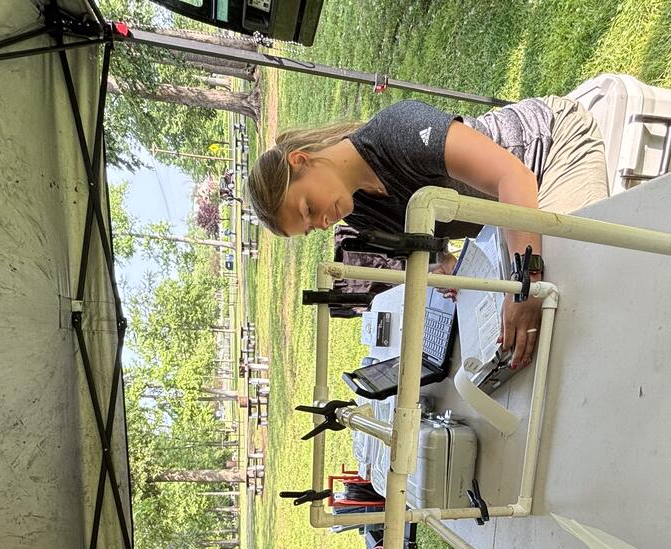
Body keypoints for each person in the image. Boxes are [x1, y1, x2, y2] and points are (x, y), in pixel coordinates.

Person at [247, 97, 609, 370]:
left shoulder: (397, 130)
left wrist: (524, 285)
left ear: (301, 160)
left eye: (309, 209)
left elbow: (513, 176)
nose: (323, 223)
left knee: (563, 294)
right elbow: (430, 241)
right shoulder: (359, 213)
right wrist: (442, 262)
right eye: (311, 228)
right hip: (509, 212)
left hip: (550, 150)